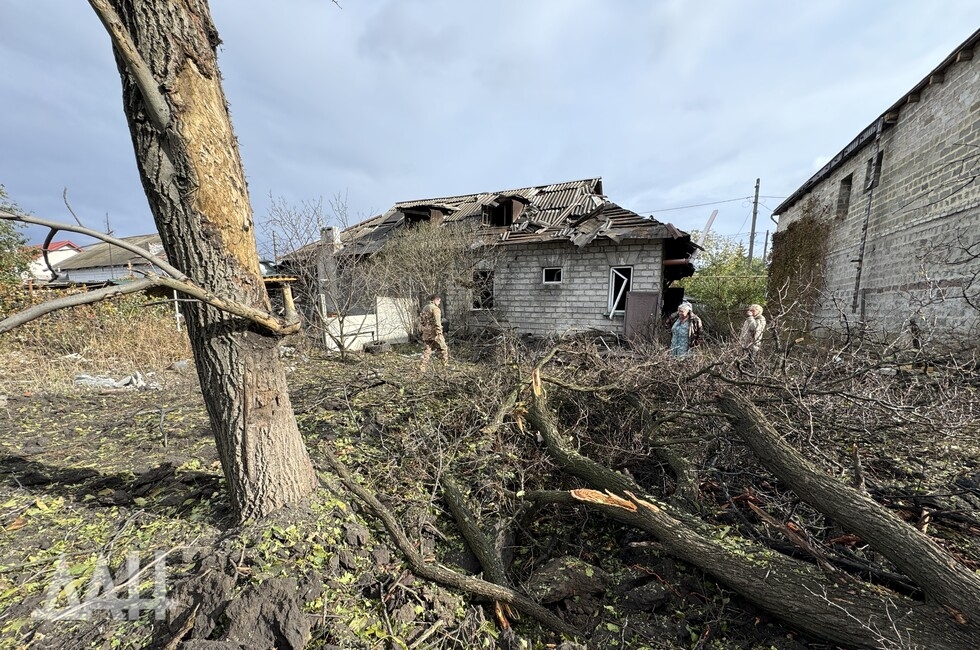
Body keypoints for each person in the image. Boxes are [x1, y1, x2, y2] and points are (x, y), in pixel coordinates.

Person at [419, 293, 449, 370]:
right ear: (435, 300)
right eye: (439, 300)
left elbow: (422, 321)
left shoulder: (425, 308)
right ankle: (445, 365)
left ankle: (422, 366)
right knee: (443, 348)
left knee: (427, 350)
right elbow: (437, 322)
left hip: (426, 332)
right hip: (435, 333)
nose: (439, 302)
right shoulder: (435, 309)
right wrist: (439, 333)